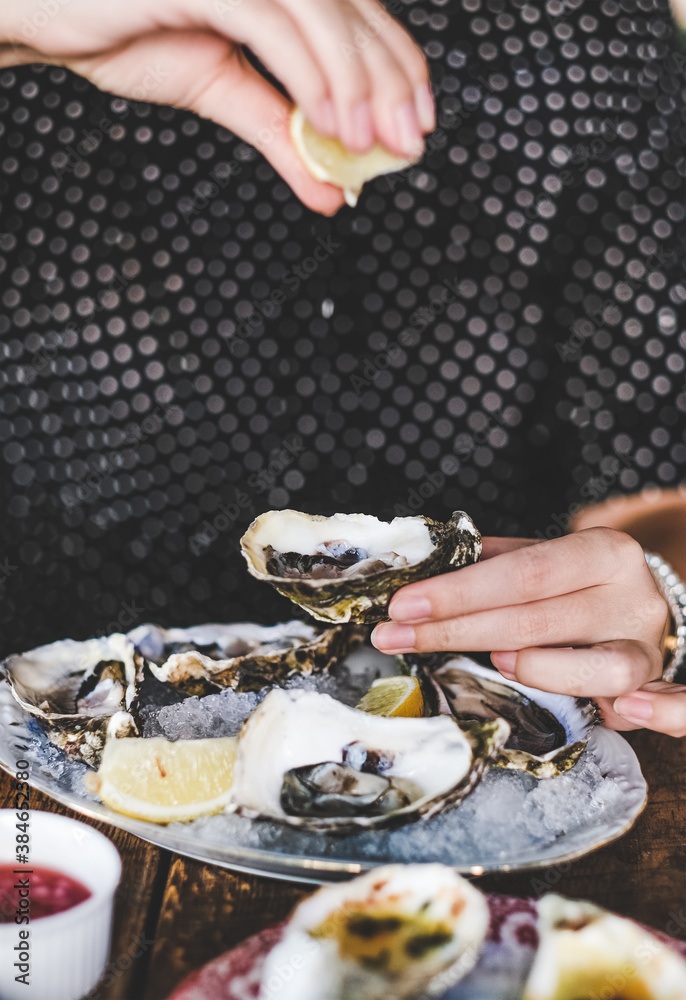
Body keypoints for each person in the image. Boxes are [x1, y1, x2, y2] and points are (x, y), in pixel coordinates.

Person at [0, 0, 684, 737]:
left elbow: (650, 482)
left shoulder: (586, 39)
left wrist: (658, 595)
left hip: (471, 739)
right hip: (55, 756)